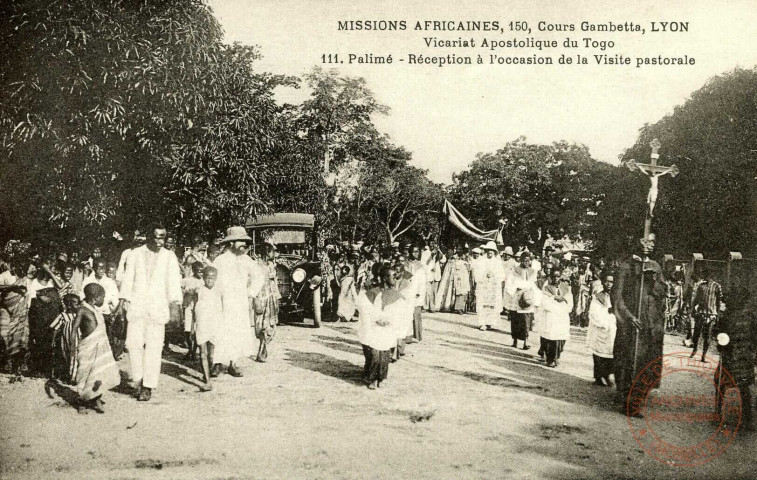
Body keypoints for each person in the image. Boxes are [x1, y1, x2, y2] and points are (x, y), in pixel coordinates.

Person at [118, 223, 183, 402]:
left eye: (162, 237)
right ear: (148, 236)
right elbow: (127, 279)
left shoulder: (169, 257)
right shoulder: (135, 254)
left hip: (157, 307)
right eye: (156, 236)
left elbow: (173, 283)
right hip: (137, 306)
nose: (160, 241)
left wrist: (175, 306)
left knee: (154, 347)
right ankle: (138, 379)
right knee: (133, 344)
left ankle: (148, 386)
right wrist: (122, 301)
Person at [613, 254, 666, 416]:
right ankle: (627, 400)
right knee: (629, 359)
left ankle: (638, 397)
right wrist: (629, 316)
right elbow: (617, 295)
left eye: (652, 241)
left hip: (651, 323)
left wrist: (653, 280)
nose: (648, 245)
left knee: (647, 361)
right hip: (632, 323)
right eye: (645, 241)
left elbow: (662, 292)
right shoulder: (626, 266)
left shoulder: (655, 265)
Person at [212, 226, 265, 377]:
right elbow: (212, 279)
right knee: (220, 331)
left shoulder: (246, 260)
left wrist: (250, 293)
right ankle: (216, 363)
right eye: (240, 241)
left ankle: (232, 364)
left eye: (244, 241)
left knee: (236, 332)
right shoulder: (220, 260)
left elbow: (259, 276)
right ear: (231, 243)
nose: (243, 244)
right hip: (222, 301)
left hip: (239, 302)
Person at [713, 285, 757, 431]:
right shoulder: (750, 317)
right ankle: (747, 419)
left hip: (733, 356)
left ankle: (719, 413)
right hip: (743, 356)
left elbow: (720, 336)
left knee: (722, 383)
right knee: (743, 387)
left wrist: (721, 344)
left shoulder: (728, 317)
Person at [73, 283, 121, 414]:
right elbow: (74, 329)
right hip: (87, 348)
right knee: (84, 374)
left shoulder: (97, 311)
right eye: (102, 298)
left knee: (99, 373)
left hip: (100, 350)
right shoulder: (82, 310)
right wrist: (72, 347)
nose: (104, 300)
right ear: (95, 298)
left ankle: (96, 398)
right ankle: (82, 401)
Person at [356, 264, 401, 389]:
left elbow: (398, 312)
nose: (395, 279)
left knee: (385, 354)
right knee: (375, 353)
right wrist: (377, 319)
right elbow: (366, 310)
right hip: (374, 327)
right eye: (393, 276)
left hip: (387, 328)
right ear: (385, 278)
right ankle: (372, 378)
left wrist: (389, 320)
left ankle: (381, 377)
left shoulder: (395, 295)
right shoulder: (372, 293)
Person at [82, 259, 122, 358]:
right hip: (91, 313)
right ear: (94, 268)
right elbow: (81, 295)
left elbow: (115, 299)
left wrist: (114, 311)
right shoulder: (88, 280)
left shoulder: (110, 282)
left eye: (103, 268)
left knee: (106, 337)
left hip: (105, 314)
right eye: (98, 268)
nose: (101, 271)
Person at [537, 267, 573, 367]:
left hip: (562, 316)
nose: (556, 278)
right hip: (551, 316)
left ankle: (557, 356)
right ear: (550, 277)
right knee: (551, 338)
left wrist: (564, 304)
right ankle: (551, 359)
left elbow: (570, 303)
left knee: (561, 338)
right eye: (554, 276)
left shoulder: (566, 288)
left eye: (558, 276)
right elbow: (544, 303)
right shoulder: (546, 288)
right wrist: (554, 297)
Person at [193, 266, 221, 392]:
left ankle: (208, 372)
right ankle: (207, 380)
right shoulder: (198, 290)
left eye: (212, 278)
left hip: (214, 325)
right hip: (202, 324)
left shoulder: (219, 291)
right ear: (203, 278)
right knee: (203, 353)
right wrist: (193, 324)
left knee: (211, 355)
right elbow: (193, 308)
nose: (210, 280)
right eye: (207, 278)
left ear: (216, 278)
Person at [0, 258, 31, 373]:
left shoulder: (26, 278)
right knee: (4, 334)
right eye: (20, 267)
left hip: (21, 311)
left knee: (22, 336)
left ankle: (18, 364)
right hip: (5, 309)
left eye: (25, 268)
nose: (22, 270)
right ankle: (7, 359)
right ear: (14, 266)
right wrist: (12, 287)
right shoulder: (5, 275)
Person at [505, 252, 541, 350]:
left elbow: (534, 284)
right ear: (521, 260)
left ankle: (526, 341)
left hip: (527, 297)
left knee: (526, 320)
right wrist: (515, 290)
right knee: (516, 319)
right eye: (524, 260)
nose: (526, 262)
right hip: (516, 297)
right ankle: (515, 340)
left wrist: (532, 293)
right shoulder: (514, 270)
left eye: (528, 260)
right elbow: (509, 283)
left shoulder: (533, 272)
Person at [587, 274, 617, 386]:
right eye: (607, 281)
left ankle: (607, 375)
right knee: (599, 353)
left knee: (611, 353)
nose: (609, 284)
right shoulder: (598, 296)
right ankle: (598, 377)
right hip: (602, 327)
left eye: (611, 282)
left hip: (613, 328)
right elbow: (594, 313)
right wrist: (605, 319)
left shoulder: (616, 296)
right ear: (603, 282)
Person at [253, 243, 280, 363]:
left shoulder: (271, 265)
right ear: (266, 253)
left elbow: (274, 283)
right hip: (260, 298)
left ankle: (262, 348)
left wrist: (277, 298)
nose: (274, 254)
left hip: (271, 298)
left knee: (270, 326)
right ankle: (262, 349)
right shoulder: (256, 265)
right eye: (272, 252)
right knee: (260, 326)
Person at [690, 267, 722, 362]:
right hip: (701, 313)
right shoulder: (701, 286)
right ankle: (695, 349)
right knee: (696, 334)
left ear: (710, 276)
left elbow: (719, 302)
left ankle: (704, 355)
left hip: (711, 314)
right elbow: (696, 300)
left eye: (705, 275)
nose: (704, 277)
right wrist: (693, 310)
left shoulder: (717, 286)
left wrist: (717, 314)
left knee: (707, 336)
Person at [50, 293, 81, 382]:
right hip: (66, 340)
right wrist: (53, 340)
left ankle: (74, 377)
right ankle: (70, 375)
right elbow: (55, 328)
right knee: (67, 356)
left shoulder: (80, 315)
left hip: (78, 340)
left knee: (76, 356)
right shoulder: (63, 315)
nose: (78, 305)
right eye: (76, 303)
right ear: (69, 305)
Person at [476, 242, 505, 331]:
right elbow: (477, 273)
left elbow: (502, 275)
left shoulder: (498, 262)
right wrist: (484, 275)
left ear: (494, 252)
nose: (490, 252)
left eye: (492, 251)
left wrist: (494, 275)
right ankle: (482, 323)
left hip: (493, 286)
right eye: (488, 251)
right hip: (484, 285)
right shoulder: (481, 261)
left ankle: (489, 322)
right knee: (483, 304)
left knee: (492, 305)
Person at [181, 261, 205, 360]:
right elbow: (180, 289)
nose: (201, 274)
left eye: (202, 272)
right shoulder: (187, 280)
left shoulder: (203, 282)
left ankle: (194, 351)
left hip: (199, 308)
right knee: (187, 329)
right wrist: (186, 292)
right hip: (188, 306)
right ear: (194, 271)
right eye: (199, 272)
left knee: (196, 329)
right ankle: (190, 350)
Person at [406, 245, 426, 342]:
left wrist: (419, 292)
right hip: (407, 291)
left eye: (417, 252)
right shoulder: (405, 264)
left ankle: (417, 335)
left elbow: (422, 281)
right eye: (413, 252)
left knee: (416, 313)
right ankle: (407, 336)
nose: (415, 254)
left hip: (417, 291)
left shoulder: (420, 266)